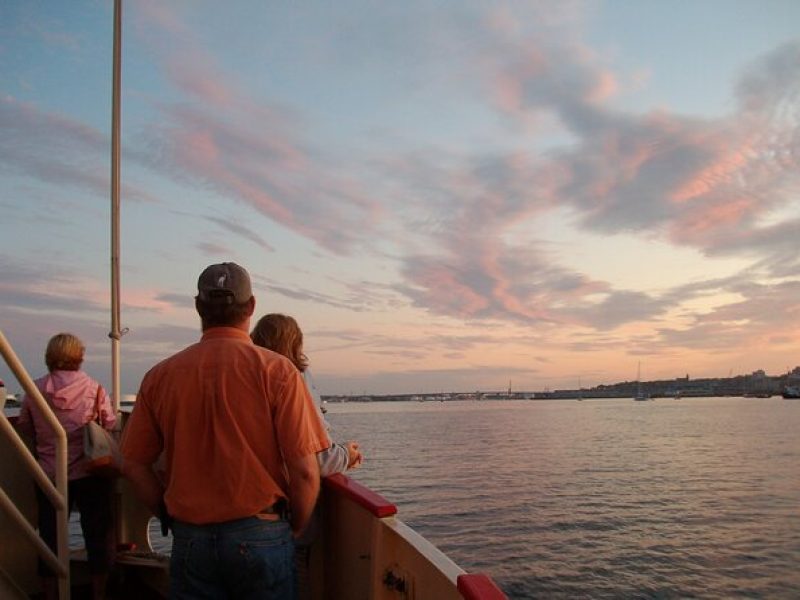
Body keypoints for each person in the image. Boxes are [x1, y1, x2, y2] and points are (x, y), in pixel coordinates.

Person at [120, 262, 330, 600]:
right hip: (262, 531)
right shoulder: (278, 372)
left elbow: (132, 464)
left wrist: (166, 512)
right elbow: (305, 472)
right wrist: (293, 526)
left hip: (190, 538)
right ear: (250, 307)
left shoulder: (161, 376)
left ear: (199, 307)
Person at [16, 333, 116, 600]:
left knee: (49, 536)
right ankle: (99, 592)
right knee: (96, 534)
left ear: (50, 357)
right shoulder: (94, 389)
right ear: (79, 357)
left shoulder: (34, 390)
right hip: (89, 471)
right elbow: (109, 423)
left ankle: (50, 593)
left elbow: (25, 425)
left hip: (49, 473)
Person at [250, 313, 363, 476]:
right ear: (296, 345)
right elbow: (318, 460)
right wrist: (347, 455)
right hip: (280, 491)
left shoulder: (245, 382)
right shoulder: (293, 380)